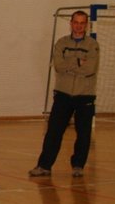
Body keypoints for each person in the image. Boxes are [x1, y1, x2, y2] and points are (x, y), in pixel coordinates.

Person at [29, 10, 100, 178]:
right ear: (71, 23)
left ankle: (78, 165)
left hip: (85, 95)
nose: (79, 26)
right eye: (76, 22)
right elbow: (58, 66)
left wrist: (69, 65)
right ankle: (44, 165)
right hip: (63, 94)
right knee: (54, 131)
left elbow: (90, 69)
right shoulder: (61, 43)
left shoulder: (93, 45)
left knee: (83, 134)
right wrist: (78, 62)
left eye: (82, 23)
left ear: (86, 25)